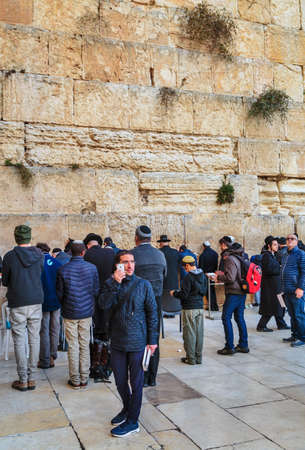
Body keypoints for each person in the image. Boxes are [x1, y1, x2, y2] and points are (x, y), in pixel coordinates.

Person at [98, 250, 158, 437]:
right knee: (119, 380)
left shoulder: (143, 284)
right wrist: (115, 283)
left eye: (132, 261)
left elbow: (152, 313)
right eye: (125, 262)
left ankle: (133, 421)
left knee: (136, 382)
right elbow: (103, 305)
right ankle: (127, 408)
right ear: (118, 265)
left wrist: (153, 340)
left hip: (137, 341)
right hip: (117, 340)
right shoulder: (109, 283)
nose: (130, 265)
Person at [2, 225, 44, 391]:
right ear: (30, 237)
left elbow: (5, 281)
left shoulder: (9, 257)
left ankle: (23, 379)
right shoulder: (39, 255)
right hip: (35, 300)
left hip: (18, 302)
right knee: (34, 339)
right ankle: (32, 377)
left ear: (15, 237)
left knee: (19, 340)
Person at [56, 240, 99, 389]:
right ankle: (84, 378)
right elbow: (95, 290)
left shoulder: (63, 269)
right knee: (84, 344)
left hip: (69, 312)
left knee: (73, 346)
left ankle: (75, 379)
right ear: (83, 252)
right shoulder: (92, 268)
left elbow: (60, 294)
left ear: (70, 252)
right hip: (86, 312)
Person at [130, 226, 166, 387]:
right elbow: (164, 274)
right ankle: (152, 377)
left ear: (136, 237)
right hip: (156, 300)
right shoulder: (160, 255)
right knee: (153, 337)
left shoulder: (133, 255)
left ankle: (142, 377)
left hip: (138, 301)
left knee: (139, 338)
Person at [214, 239, 249, 355]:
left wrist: (219, 276)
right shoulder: (242, 258)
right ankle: (243, 345)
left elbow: (230, 278)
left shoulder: (230, 259)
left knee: (226, 317)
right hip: (242, 292)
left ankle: (229, 346)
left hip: (233, 292)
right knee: (240, 318)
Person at [170, 255, 207, 365]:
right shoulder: (203, 276)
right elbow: (204, 292)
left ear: (187, 265)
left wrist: (174, 293)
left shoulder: (188, 277)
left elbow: (184, 295)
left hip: (189, 308)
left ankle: (190, 358)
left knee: (189, 334)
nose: (184, 269)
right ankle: (198, 357)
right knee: (199, 333)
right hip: (199, 308)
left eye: (184, 267)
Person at [36, 243, 63, 369]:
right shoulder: (57, 262)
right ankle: (52, 356)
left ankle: (45, 360)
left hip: (43, 300)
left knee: (44, 330)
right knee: (55, 328)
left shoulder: (37, 263)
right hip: (56, 300)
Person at [83, 233, 115, 338]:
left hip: (93, 293)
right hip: (109, 291)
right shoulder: (110, 253)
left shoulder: (87, 255)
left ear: (87, 245)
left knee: (96, 324)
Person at [256, 237, 289, 332]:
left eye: (277, 244)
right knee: (270, 307)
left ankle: (281, 324)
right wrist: (280, 267)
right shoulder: (266, 256)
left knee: (280, 305)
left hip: (276, 286)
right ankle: (261, 326)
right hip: (270, 287)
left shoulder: (273, 255)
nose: (277, 246)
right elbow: (268, 270)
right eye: (274, 244)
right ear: (269, 246)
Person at [281, 233, 305, 347]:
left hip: (296, 290)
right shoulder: (285, 254)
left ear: (296, 241)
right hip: (287, 289)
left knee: (299, 314)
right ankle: (294, 334)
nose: (289, 240)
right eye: (288, 238)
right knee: (292, 314)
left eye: (292, 239)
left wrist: (300, 288)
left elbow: (304, 272)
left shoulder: (301, 254)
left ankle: (302, 337)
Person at [158, 235, 180, 319]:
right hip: (174, 277)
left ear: (161, 243)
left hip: (163, 277)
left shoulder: (159, 252)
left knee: (163, 295)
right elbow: (179, 265)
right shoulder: (175, 252)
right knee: (173, 294)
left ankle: (164, 311)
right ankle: (173, 311)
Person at [199, 241, 219, 311]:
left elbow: (200, 267)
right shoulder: (215, 254)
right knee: (212, 290)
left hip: (206, 275)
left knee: (208, 291)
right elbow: (216, 265)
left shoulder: (202, 255)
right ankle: (215, 306)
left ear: (204, 246)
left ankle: (211, 307)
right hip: (213, 274)